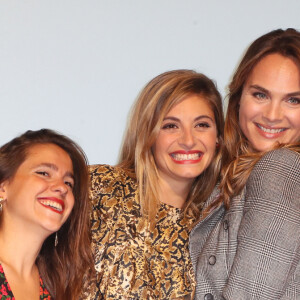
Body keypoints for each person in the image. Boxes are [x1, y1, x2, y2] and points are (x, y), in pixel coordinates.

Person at [88, 70, 224, 299]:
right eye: (171, 126)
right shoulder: (99, 187)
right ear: (148, 134)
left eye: (202, 125)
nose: (188, 140)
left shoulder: (213, 228)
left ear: (218, 138)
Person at [190, 28, 300, 299]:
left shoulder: (280, 167)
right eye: (260, 95)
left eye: (293, 100)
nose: (273, 115)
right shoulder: (231, 177)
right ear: (239, 98)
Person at [0, 129, 94, 300]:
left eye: (69, 183)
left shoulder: (59, 285)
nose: (62, 187)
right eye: (44, 173)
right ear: (2, 187)